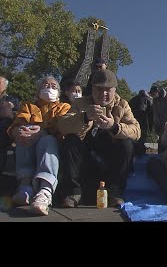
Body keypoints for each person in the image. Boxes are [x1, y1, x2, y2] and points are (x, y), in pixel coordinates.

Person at [57, 69, 140, 208]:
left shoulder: (122, 105)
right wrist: (85, 117)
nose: (103, 94)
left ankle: (115, 191)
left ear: (114, 90)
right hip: (86, 156)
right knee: (71, 140)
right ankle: (74, 191)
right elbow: (63, 126)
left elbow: (136, 131)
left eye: (108, 90)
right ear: (92, 89)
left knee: (126, 144)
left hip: (110, 157)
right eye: (99, 89)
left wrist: (114, 127)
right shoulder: (80, 103)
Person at [7, 76, 71, 216]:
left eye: (54, 86)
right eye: (45, 85)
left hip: (52, 146)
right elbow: (18, 122)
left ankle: (45, 191)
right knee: (24, 134)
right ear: (38, 90)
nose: (49, 88)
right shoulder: (28, 106)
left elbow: (62, 127)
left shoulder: (64, 107)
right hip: (29, 146)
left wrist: (43, 131)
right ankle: (25, 186)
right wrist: (16, 130)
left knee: (46, 139)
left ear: (59, 93)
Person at [129, 89, 154, 155]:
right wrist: (150, 126)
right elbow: (151, 114)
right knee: (143, 138)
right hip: (143, 122)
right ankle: (144, 152)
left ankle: (134, 152)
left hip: (133, 122)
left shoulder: (132, 100)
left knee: (134, 137)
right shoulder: (148, 99)